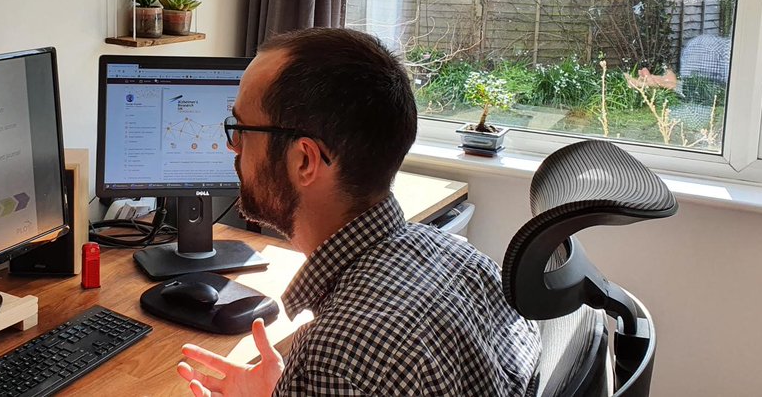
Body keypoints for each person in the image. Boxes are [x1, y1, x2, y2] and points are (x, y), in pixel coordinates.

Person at [176, 28, 540, 396]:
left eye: (241, 130)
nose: (233, 147)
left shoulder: (336, 358)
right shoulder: (472, 264)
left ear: (305, 161)